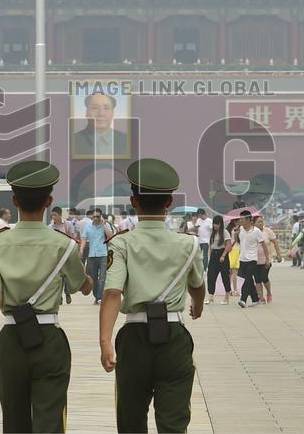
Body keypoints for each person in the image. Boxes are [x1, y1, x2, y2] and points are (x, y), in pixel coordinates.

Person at [0, 161, 93, 433]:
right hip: (49, 339)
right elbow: (81, 285)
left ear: (14, 201)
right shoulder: (64, 246)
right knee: (50, 419)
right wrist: (88, 283)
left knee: (14, 421)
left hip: (10, 340)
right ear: (49, 201)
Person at [99, 158, 205, 433]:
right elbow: (197, 284)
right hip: (173, 336)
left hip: (133, 337)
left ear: (133, 202)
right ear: (169, 202)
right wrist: (198, 304)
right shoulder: (188, 244)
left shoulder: (121, 243)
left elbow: (112, 293)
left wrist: (105, 341)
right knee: (173, 421)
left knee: (131, 420)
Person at [72, 92, 129, 158]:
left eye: (106, 108)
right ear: (86, 112)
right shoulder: (72, 141)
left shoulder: (126, 141)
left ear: (113, 113)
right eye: (95, 108)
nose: (101, 113)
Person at [233, 211, 268, 307]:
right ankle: (255, 299)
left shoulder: (256, 231)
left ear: (248, 220)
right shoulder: (240, 229)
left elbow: (263, 245)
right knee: (248, 280)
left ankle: (243, 299)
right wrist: (236, 233)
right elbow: (236, 240)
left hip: (252, 259)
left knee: (248, 278)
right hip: (242, 258)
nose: (240, 221)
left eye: (242, 219)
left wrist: (267, 259)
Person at [81, 208, 114, 305]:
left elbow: (110, 236)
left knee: (102, 277)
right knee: (94, 278)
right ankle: (96, 296)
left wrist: (104, 225)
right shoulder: (88, 226)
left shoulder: (105, 225)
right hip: (92, 255)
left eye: (98, 217)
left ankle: (100, 297)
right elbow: (84, 238)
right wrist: (81, 249)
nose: (95, 218)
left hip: (103, 254)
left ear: (101, 216)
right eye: (94, 216)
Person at [47, 206, 77, 305]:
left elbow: (73, 237)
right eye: (52, 215)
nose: (53, 217)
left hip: (67, 253)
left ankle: (67, 293)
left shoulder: (68, 225)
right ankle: (58, 297)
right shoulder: (50, 227)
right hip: (55, 255)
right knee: (58, 276)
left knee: (67, 275)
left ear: (60, 215)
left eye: (55, 215)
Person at [205, 215, 232, 305]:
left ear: (221, 224)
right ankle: (211, 297)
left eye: (217, 224)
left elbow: (228, 245)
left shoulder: (225, 232)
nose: (215, 226)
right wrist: (210, 257)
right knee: (211, 276)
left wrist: (223, 255)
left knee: (225, 276)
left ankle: (227, 297)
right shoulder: (212, 233)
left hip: (222, 254)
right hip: (214, 256)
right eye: (214, 224)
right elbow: (211, 246)